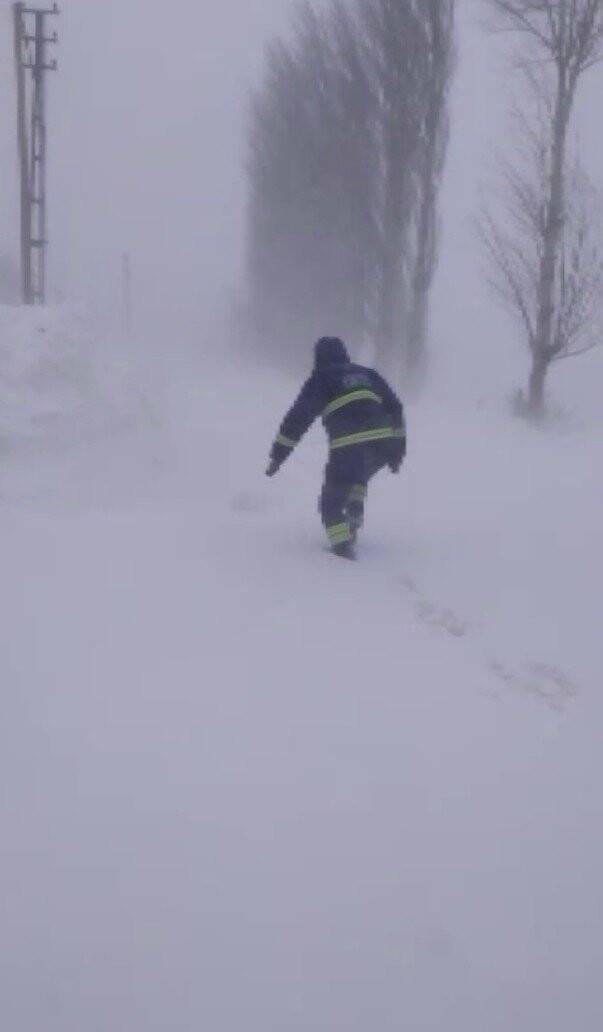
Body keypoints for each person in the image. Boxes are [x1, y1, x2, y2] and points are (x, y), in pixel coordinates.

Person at [266, 336, 406, 559]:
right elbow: (395, 408)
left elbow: (298, 418)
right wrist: (398, 449)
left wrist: (278, 456)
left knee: (330, 504)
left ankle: (342, 549)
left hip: (349, 446)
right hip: (382, 444)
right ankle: (354, 513)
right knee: (359, 475)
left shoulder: (322, 377)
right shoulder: (368, 374)